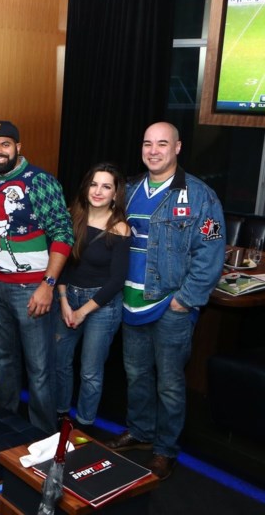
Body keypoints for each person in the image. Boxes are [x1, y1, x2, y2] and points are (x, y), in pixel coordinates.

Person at [103, 122, 225, 480]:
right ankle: (140, 432)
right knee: (135, 374)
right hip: (130, 302)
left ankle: (165, 449)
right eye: (147, 144)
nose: (153, 150)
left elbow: (210, 253)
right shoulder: (126, 190)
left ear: (177, 148)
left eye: (162, 144)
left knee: (169, 383)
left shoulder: (201, 196)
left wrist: (185, 301)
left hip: (170, 305)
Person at [0, 120, 73, 433]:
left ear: (19, 147)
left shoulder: (39, 181)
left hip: (30, 289)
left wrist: (47, 285)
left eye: (5, 145)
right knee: (2, 363)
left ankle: (43, 435)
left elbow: (63, 233)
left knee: (39, 368)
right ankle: (5, 429)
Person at [55, 162, 130, 427]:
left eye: (106, 186)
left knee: (90, 372)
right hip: (68, 297)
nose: (98, 191)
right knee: (60, 363)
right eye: (94, 184)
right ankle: (61, 415)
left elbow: (116, 281)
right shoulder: (70, 215)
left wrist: (82, 311)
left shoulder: (120, 228)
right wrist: (64, 302)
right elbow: (60, 261)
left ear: (115, 193)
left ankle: (85, 424)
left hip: (101, 306)